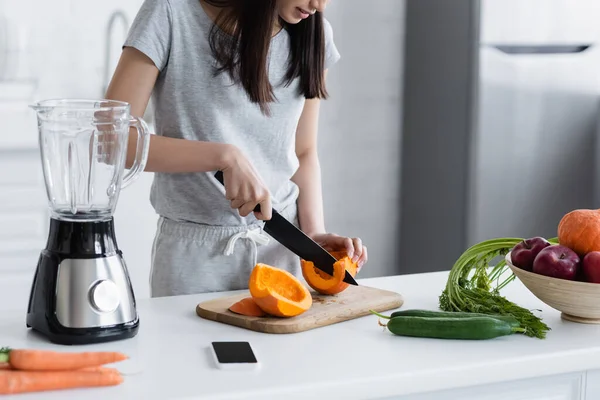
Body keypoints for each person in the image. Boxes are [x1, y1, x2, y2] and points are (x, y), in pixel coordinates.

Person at [105, 0, 368, 297]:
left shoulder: (314, 33)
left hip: (282, 253)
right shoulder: (170, 12)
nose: (318, 5)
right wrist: (222, 157)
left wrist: (313, 233)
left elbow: (303, 151)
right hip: (194, 260)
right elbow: (111, 140)